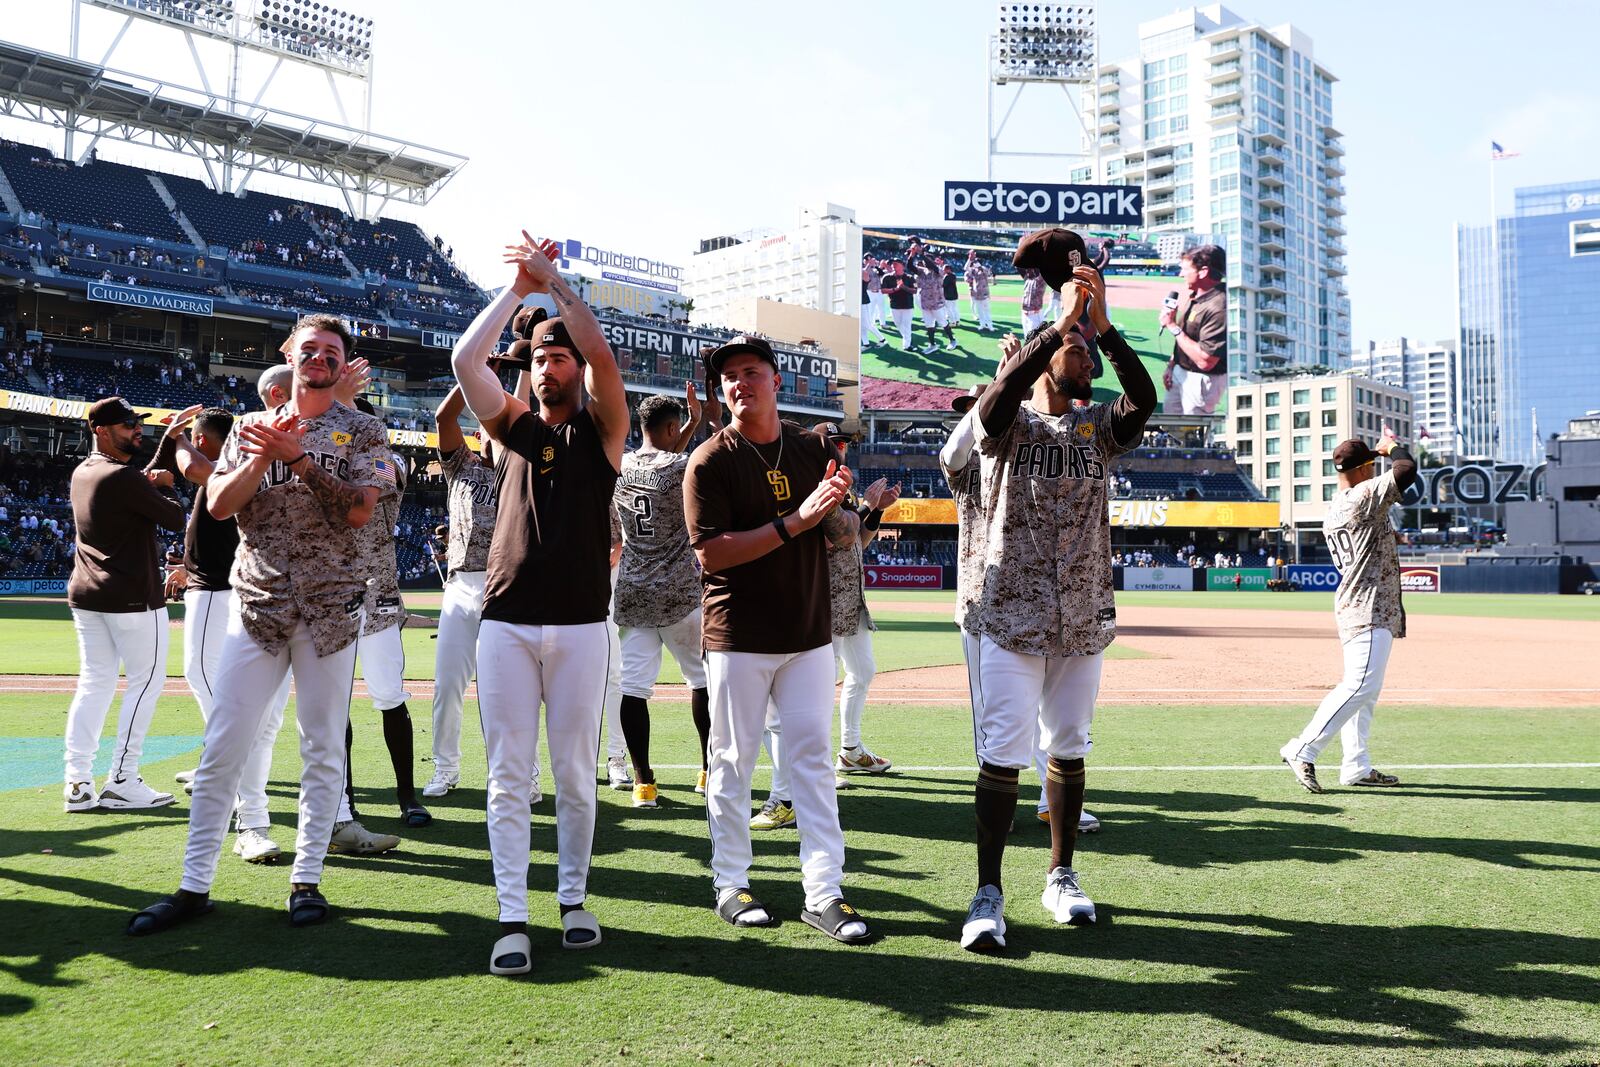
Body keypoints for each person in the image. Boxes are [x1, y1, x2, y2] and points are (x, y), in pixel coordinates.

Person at [128, 313, 393, 936]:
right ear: (289, 356)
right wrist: (262, 454)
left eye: (331, 351)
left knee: (321, 745)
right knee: (224, 743)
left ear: (341, 361)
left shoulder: (364, 431)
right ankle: (194, 886)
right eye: (310, 349)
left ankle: (307, 879)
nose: (320, 359)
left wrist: (298, 458)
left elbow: (359, 511)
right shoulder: (249, 427)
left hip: (330, 607)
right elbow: (219, 504)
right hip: (258, 605)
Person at [957, 235, 1155, 952]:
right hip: (1011, 615)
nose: (1082, 352)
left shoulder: (1098, 428)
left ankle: (1061, 874)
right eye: (1073, 345)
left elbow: (1146, 396)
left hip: (1082, 619)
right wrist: (1056, 322)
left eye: (1085, 347)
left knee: (1069, 747)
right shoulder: (1009, 420)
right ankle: (987, 891)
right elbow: (1002, 393)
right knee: (1002, 753)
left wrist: (1100, 324)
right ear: (1044, 359)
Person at [451, 231, 628, 975]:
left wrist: (555, 285)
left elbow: (608, 361)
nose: (549, 366)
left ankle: (575, 897)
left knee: (576, 773)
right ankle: (512, 913)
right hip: (508, 622)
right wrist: (516, 292)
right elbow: (465, 363)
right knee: (508, 776)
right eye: (539, 358)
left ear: (576, 368)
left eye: (561, 356)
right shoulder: (514, 429)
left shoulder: (604, 430)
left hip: (585, 623)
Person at [685, 333, 870, 944]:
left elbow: (838, 535)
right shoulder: (710, 459)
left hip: (808, 632)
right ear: (722, 390)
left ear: (776, 380)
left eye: (752, 372)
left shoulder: (811, 447)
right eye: (730, 376)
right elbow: (712, 552)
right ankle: (731, 882)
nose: (741, 383)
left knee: (813, 765)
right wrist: (798, 521)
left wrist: (844, 513)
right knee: (731, 763)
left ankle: (824, 892)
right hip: (739, 635)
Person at [162, 404, 293, 862]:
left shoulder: (228, 467)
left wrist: (175, 437)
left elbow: (193, 467)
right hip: (242, 591)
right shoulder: (257, 467)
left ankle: (240, 797)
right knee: (253, 716)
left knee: (222, 696)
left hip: (226, 593)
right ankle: (239, 792)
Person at [63, 397, 187, 813]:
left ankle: (78, 783)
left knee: (93, 685)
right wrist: (167, 487)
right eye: (126, 424)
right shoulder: (124, 478)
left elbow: (132, 481)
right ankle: (122, 779)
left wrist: (167, 444)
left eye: (137, 422)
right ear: (101, 430)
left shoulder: (85, 471)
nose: (136, 429)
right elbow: (175, 519)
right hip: (132, 597)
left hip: (86, 594)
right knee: (145, 685)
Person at [1280, 430, 1418, 792]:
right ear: (1363, 468)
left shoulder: (1338, 503)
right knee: (1360, 684)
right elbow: (1406, 470)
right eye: (1372, 465)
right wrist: (1392, 448)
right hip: (1368, 605)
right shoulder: (1362, 497)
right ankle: (1303, 749)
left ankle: (1356, 765)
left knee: (1366, 689)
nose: (1376, 471)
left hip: (1361, 603)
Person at [613, 386, 717, 807]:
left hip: (634, 592)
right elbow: (685, 462)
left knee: (634, 688)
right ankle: (708, 771)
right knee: (702, 681)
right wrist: (706, 417)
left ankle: (643, 782)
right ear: (673, 428)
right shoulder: (682, 464)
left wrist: (689, 421)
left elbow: (661, 457)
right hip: (679, 593)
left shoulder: (618, 464)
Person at [348, 395, 425, 827]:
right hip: (329, 594)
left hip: (378, 595)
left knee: (390, 698)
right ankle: (343, 801)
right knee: (332, 706)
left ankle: (407, 797)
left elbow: (362, 495)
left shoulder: (387, 460)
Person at [423, 386, 500, 799]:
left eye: (498, 427)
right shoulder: (461, 466)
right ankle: (445, 768)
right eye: (485, 427)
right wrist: (473, 379)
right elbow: (443, 419)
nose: (490, 434)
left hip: (504, 586)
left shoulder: (519, 469)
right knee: (448, 684)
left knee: (503, 689)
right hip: (460, 585)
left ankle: (521, 775)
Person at [1160, 244, 1227, 416]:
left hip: (1202, 381)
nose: (1181, 274)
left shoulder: (1220, 306)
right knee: (1171, 429)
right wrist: (1172, 365)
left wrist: (1172, 326)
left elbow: (1206, 361)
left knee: (1191, 435)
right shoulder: (1196, 295)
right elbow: (1188, 336)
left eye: (1185, 269)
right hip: (1181, 372)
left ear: (1203, 272)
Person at [880, 261, 917, 351]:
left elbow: (915, 290)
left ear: (903, 266)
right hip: (894, 305)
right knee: (898, 324)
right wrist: (895, 289)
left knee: (907, 325)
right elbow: (883, 290)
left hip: (907, 305)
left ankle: (907, 345)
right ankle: (907, 338)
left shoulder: (910, 277)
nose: (893, 265)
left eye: (896, 264)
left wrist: (903, 287)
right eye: (893, 264)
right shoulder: (887, 277)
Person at [965, 251, 994, 332]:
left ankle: (990, 325)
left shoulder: (984, 269)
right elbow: (966, 268)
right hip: (977, 294)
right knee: (980, 311)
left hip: (985, 294)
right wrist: (969, 259)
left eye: (975, 263)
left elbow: (986, 272)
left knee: (987, 310)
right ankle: (982, 324)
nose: (974, 264)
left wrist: (977, 263)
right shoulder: (973, 271)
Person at [1020, 267, 1046, 336]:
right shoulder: (1027, 279)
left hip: (1034, 314)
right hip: (1025, 314)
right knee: (1027, 338)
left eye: (1029, 270)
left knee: (1034, 338)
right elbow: (1019, 267)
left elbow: (1043, 270)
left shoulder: (1040, 281)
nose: (1027, 271)